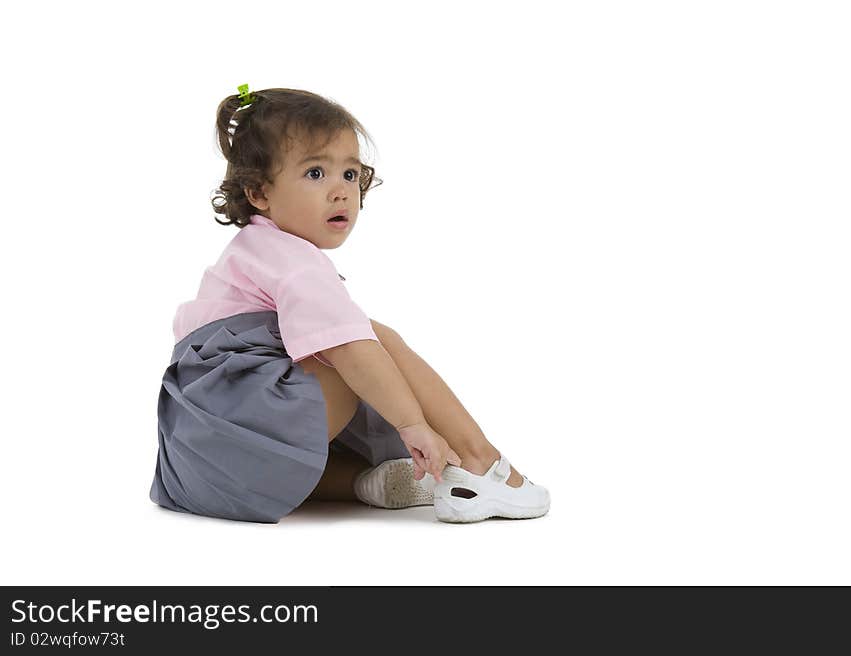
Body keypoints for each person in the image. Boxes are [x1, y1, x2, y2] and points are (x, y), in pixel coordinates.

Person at [149, 85, 550, 524]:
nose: (342, 192)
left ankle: (359, 479)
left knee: (324, 351)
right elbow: (354, 351)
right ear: (260, 193)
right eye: (315, 174)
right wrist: (412, 425)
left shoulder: (248, 253)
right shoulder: (297, 263)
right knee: (371, 340)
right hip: (252, 423)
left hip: (201, 461)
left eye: (351, 174)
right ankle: (479, 461)